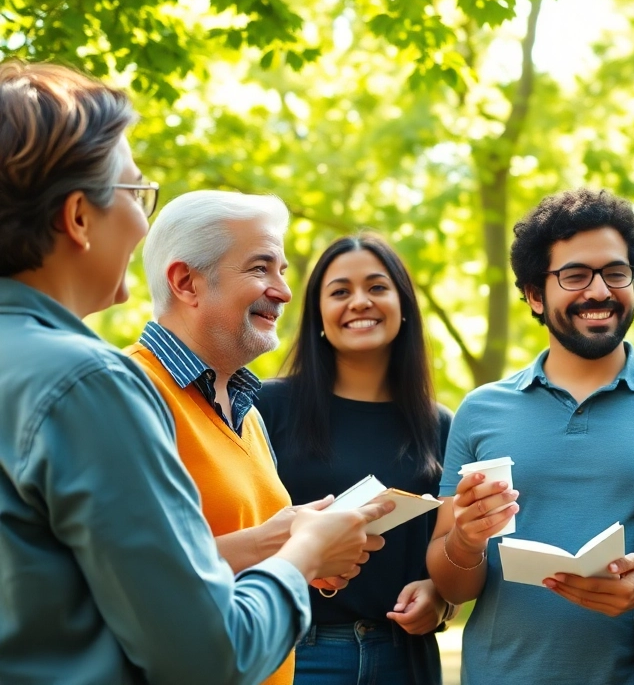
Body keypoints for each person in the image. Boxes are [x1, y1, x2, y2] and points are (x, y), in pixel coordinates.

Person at [0, 61, 388, 684]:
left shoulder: (245, 413)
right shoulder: (96, 385)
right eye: (136, 194)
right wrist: (302, 552)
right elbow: (211, 654)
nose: (142, 225)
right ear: (78, 217)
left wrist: (275, 543)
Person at [426, 189, 634, 685]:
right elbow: (452, 583)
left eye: (616, 273)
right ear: (535, 294)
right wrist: (467, 540)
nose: (599, 291)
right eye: (575, 275)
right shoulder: (480, 411)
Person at [132, 189, 346, 685]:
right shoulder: (127, 392)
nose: (284, 291)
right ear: (187, 282)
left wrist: (309, 556)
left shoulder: (247, 410)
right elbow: (131, 579)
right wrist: (290, 542)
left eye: (283, 271)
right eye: (260, 268)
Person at [256, 235, 455, 685]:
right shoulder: (266, 407)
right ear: (318, 316)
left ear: (403, 305)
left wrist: (441, 598)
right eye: (341, 291)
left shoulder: (440, 425)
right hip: (295, 653)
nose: (360, 302)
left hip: (405, 658)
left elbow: (453, 549)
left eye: (377, 287)